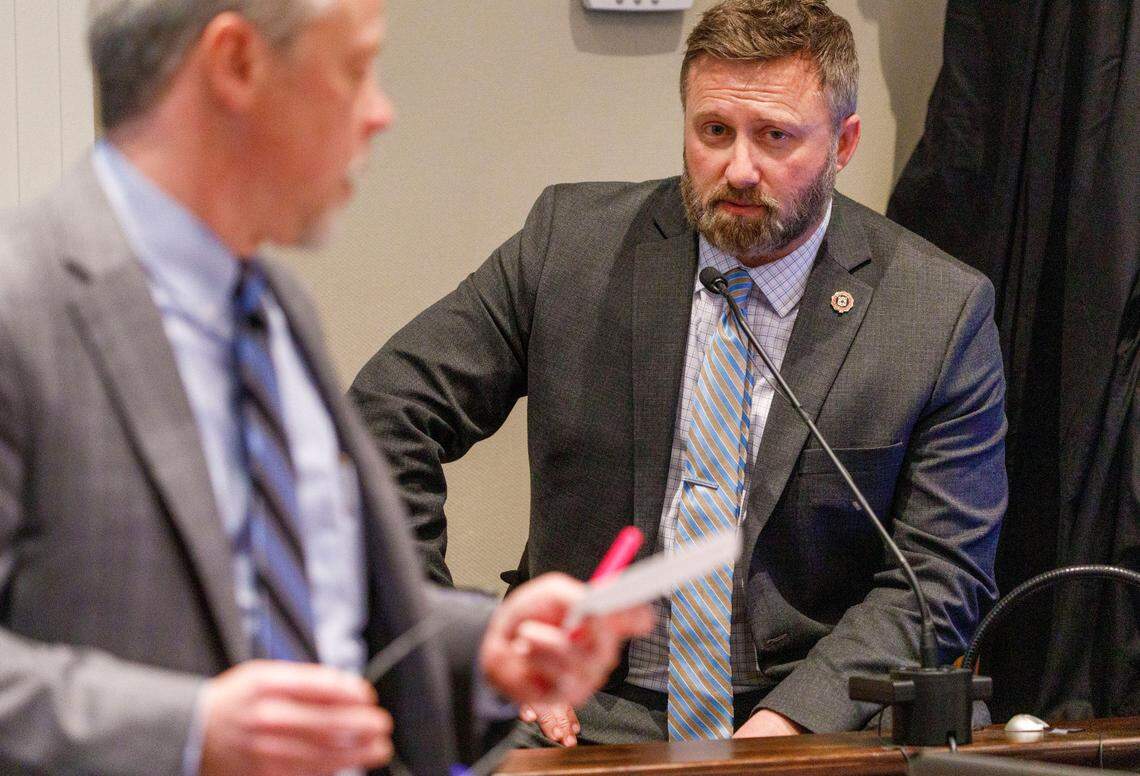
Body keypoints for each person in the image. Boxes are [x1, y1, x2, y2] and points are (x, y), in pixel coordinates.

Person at [0, 1, 652, 774]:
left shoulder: (273, 308)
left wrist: (487, 648)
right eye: (353, 69)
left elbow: (328, 612)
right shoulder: (23, 305)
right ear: (236, 64)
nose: (380, 113)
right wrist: (187, 732)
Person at [349, 0, 1007, 747]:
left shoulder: (937, 311)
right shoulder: (570, 245)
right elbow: (381, 419)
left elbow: (942, 572)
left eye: (776, 137)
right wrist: (458, 642)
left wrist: (794, 720)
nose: (739, 168)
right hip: (579, 701)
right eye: (715, 131)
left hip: (812, 705)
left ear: (843, 144)